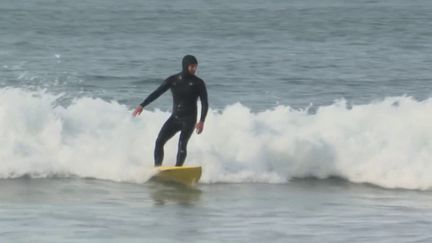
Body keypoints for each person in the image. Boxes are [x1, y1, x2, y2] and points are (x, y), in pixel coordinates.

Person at [132, 55, 208, 167]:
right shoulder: (173, 80)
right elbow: (157, 93)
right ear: (185, 66)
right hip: (175, 118)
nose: (194, 69)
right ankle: (157, 168)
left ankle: (178, 169)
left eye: (195, 67)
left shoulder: (199, 83)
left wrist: (201, 121)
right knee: (159, 141)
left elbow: (205, 103)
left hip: (189, 119)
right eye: (192, 66)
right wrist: (142, 105)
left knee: (182, 144)